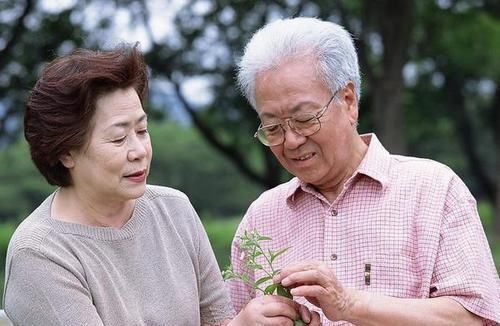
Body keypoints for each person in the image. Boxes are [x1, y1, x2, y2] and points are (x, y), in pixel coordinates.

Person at [229, 17, 500, 325]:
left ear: (348, 101)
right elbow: (225, 316)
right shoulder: (261, 216)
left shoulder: (434, 189)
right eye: (273, 128)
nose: (291, 140)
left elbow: (473, 319)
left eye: (304, 118)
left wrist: (351, 305)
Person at [3, 44, 236, 325]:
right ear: (66, 153)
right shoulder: (41, 253)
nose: (139, 150)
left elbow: (219, 318)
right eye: (118, 138)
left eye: (142, 130)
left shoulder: (174, 209)